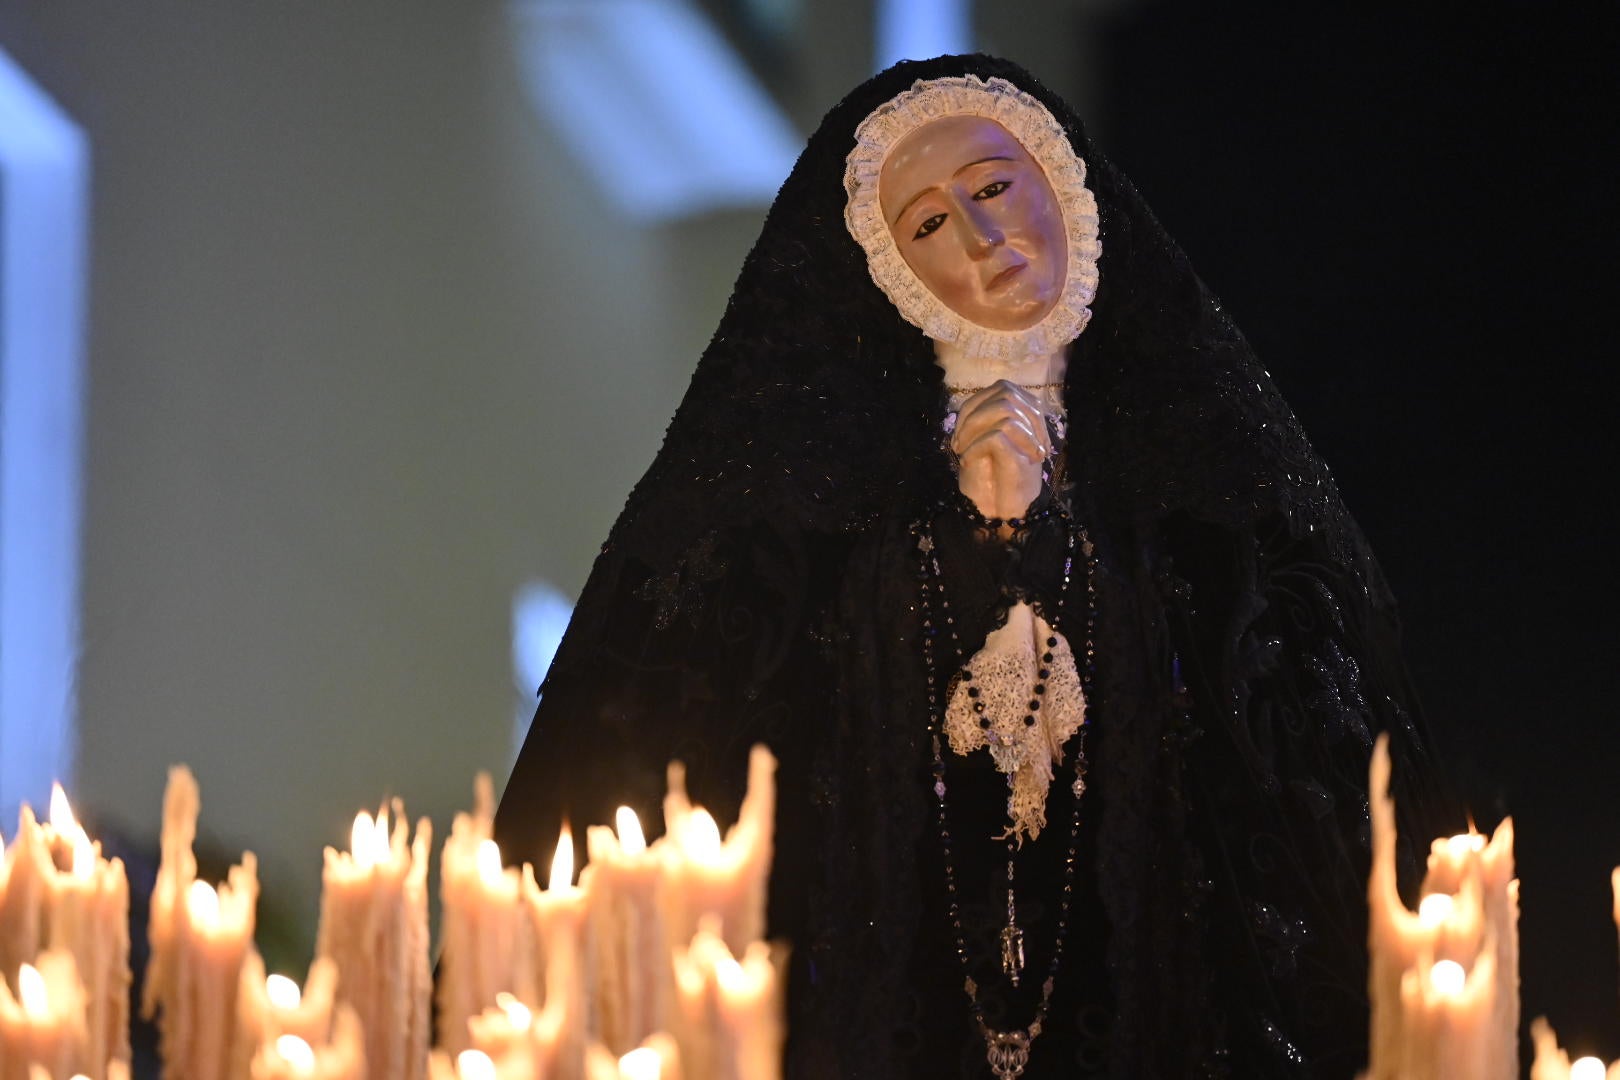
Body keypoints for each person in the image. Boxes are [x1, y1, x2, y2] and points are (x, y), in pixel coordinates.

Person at [494, 54, 1450, 1078]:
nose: (986, 239)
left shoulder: (1216, 505)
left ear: (1064, 186)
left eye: (993, 188)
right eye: (932, 225)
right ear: (892, 274)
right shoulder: (804, 536)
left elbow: (1318, 787)